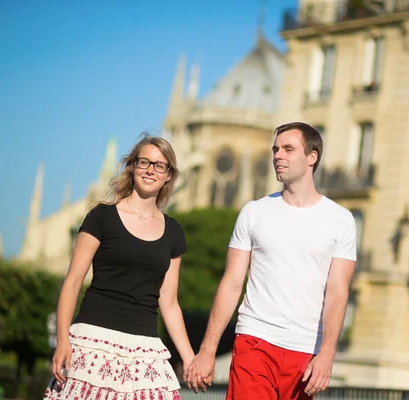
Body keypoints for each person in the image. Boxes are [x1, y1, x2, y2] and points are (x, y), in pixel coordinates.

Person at [184, 122, 357, 399]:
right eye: (276, 149)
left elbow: (338, 290)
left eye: (288, 149)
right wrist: (207, 350)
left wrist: (327, 353)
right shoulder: (254, 212)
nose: (278, 155)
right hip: (255, 340)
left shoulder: (341, 220)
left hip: (305, 350)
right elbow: (231, 283)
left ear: (312, 157)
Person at [45, 133, 195, 400]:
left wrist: (190, 358)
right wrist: (62, 341)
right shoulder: (101, 216)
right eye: (144, 162)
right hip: (92, 341)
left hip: (144, 350)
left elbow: (169, 303)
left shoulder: (174, 232)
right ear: (132, 166)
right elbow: (73, 281)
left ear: (169, 175)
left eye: (159, 165)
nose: (151, 170)